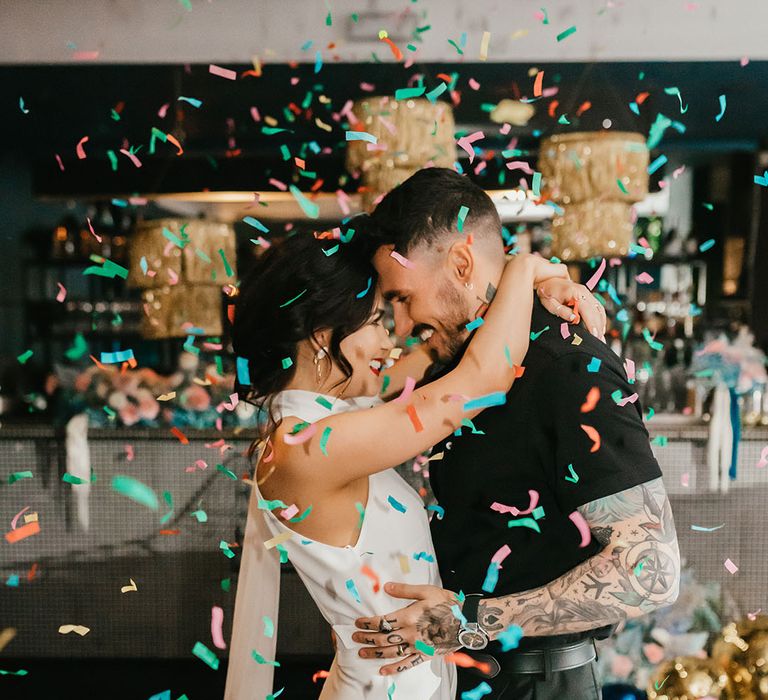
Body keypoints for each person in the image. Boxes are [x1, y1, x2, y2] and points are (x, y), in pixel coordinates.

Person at [223, 230, 605, 700]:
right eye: (376, 321)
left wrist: (541, 287)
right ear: (323, 337)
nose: (394, 337)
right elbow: (485, 376)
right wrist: (524, 267)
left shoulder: (324, 421)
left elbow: (441, 348)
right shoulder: (308, 445)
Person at [351, 167, 682, 699]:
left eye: (405, 298)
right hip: (466, 674)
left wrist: (471, 620)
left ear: (460, 263)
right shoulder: (457, 365)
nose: (404, 325)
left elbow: (651, 571)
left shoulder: (569, 364)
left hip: (540, 682)